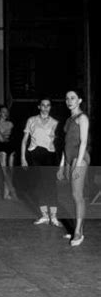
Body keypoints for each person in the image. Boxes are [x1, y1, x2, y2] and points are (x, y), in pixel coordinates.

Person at [57, 89, 90, 246]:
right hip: (70, 159)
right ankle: (79, 229)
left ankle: (78, 233)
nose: (69, 101)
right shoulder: (69, 120)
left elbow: (83, 142)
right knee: (73, 195)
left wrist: (77, 164)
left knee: (78, 195)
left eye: (73, 98)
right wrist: (62, 165)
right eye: (67, 98)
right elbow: (66, 145)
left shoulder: (82, 118)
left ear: (79, 100)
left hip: (80, 158)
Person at [21, 98, 61, 226]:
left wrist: (61, 164)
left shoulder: (55, 122)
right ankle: (44, 216)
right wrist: (23, 158)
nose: (45, 107)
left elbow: (58, 143)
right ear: (39, 106)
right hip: (35, 154)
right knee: (39, 185)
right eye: (43, 105)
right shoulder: (31, 120)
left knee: (51, 185)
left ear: (50, 107)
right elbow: (24, 140)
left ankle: (53, 217)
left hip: (49, 155)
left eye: (48, 105)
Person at [0, 105, 17, 200]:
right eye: (3, 111)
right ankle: (11, 191)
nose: (4, 113)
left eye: (6, 112)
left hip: (10, 146)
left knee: (11, 171)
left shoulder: (10, 123)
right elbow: (0, 139)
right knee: (4, 171)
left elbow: (12, 136)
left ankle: (6, 193)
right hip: (1, 147)